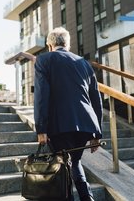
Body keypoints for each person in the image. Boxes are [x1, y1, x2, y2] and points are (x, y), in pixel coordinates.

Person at [34, 27, 103, 201]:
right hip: (86, 125)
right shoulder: (84, 63)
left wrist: (41, 129)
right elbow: (96, 98)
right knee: (75, 162)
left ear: (50, 45)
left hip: (59, 125)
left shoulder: (44, 60)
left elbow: (42, 96)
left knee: (62, 167)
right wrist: (97, 133)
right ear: (67, 44)